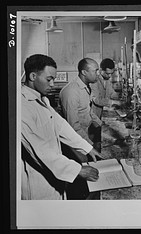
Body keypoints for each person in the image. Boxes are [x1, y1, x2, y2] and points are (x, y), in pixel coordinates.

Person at [21, 54, 104, 200]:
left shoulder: (42, 99)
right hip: (38, 183)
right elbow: (40, 150)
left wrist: (87, 147)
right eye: (49, 79)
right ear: (33, 76)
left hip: (55, 172)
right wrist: (78, 170)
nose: (52, 84)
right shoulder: (23, 106)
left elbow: (61, 126)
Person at [59, 58, 102, 157]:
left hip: (84, 133)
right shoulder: (71, 92)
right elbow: (73, 126)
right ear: (84, 72)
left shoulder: (85, 87)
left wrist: (101, 125)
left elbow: (88, 111)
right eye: (95, 70)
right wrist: (90, 146)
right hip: (74, 140)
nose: (98, 74)